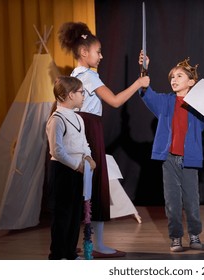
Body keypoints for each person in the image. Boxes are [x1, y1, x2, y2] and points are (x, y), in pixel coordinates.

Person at [58, 22, 150, 258]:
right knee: (95, 186)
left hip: (79, 128)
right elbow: (117, 101)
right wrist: (139, 83)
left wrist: (142, 70)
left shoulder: (75, 74)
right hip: (90, 128)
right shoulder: (88, 76)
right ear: (84, 53)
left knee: (83, 187)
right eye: (98, 52)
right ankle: (95, 244)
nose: (101, 56)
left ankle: (75, 244)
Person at [138, 52, 204, 252]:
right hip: (169, 159)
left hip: (190, 159)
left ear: (192, 82)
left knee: (192, 201)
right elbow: (146, 91)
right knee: (172, 202)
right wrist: (144, 68)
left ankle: (194, 234)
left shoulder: (198, 106)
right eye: (172, 77)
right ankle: (176, 237)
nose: (174, 79)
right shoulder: (164, 102)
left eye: (179, 76)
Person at [46, 76, 96, 260]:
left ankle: (70, 252)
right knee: (62, 215)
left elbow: (84, 142)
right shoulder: (57, 119)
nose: (84, 96)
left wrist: (88, 156)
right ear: (69, 95)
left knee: (76, 213)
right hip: (62, 172)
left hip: (78, 171)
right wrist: (78, 166)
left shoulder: (78, 119)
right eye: (81, 92)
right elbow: (57, 151)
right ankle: (57, 256)